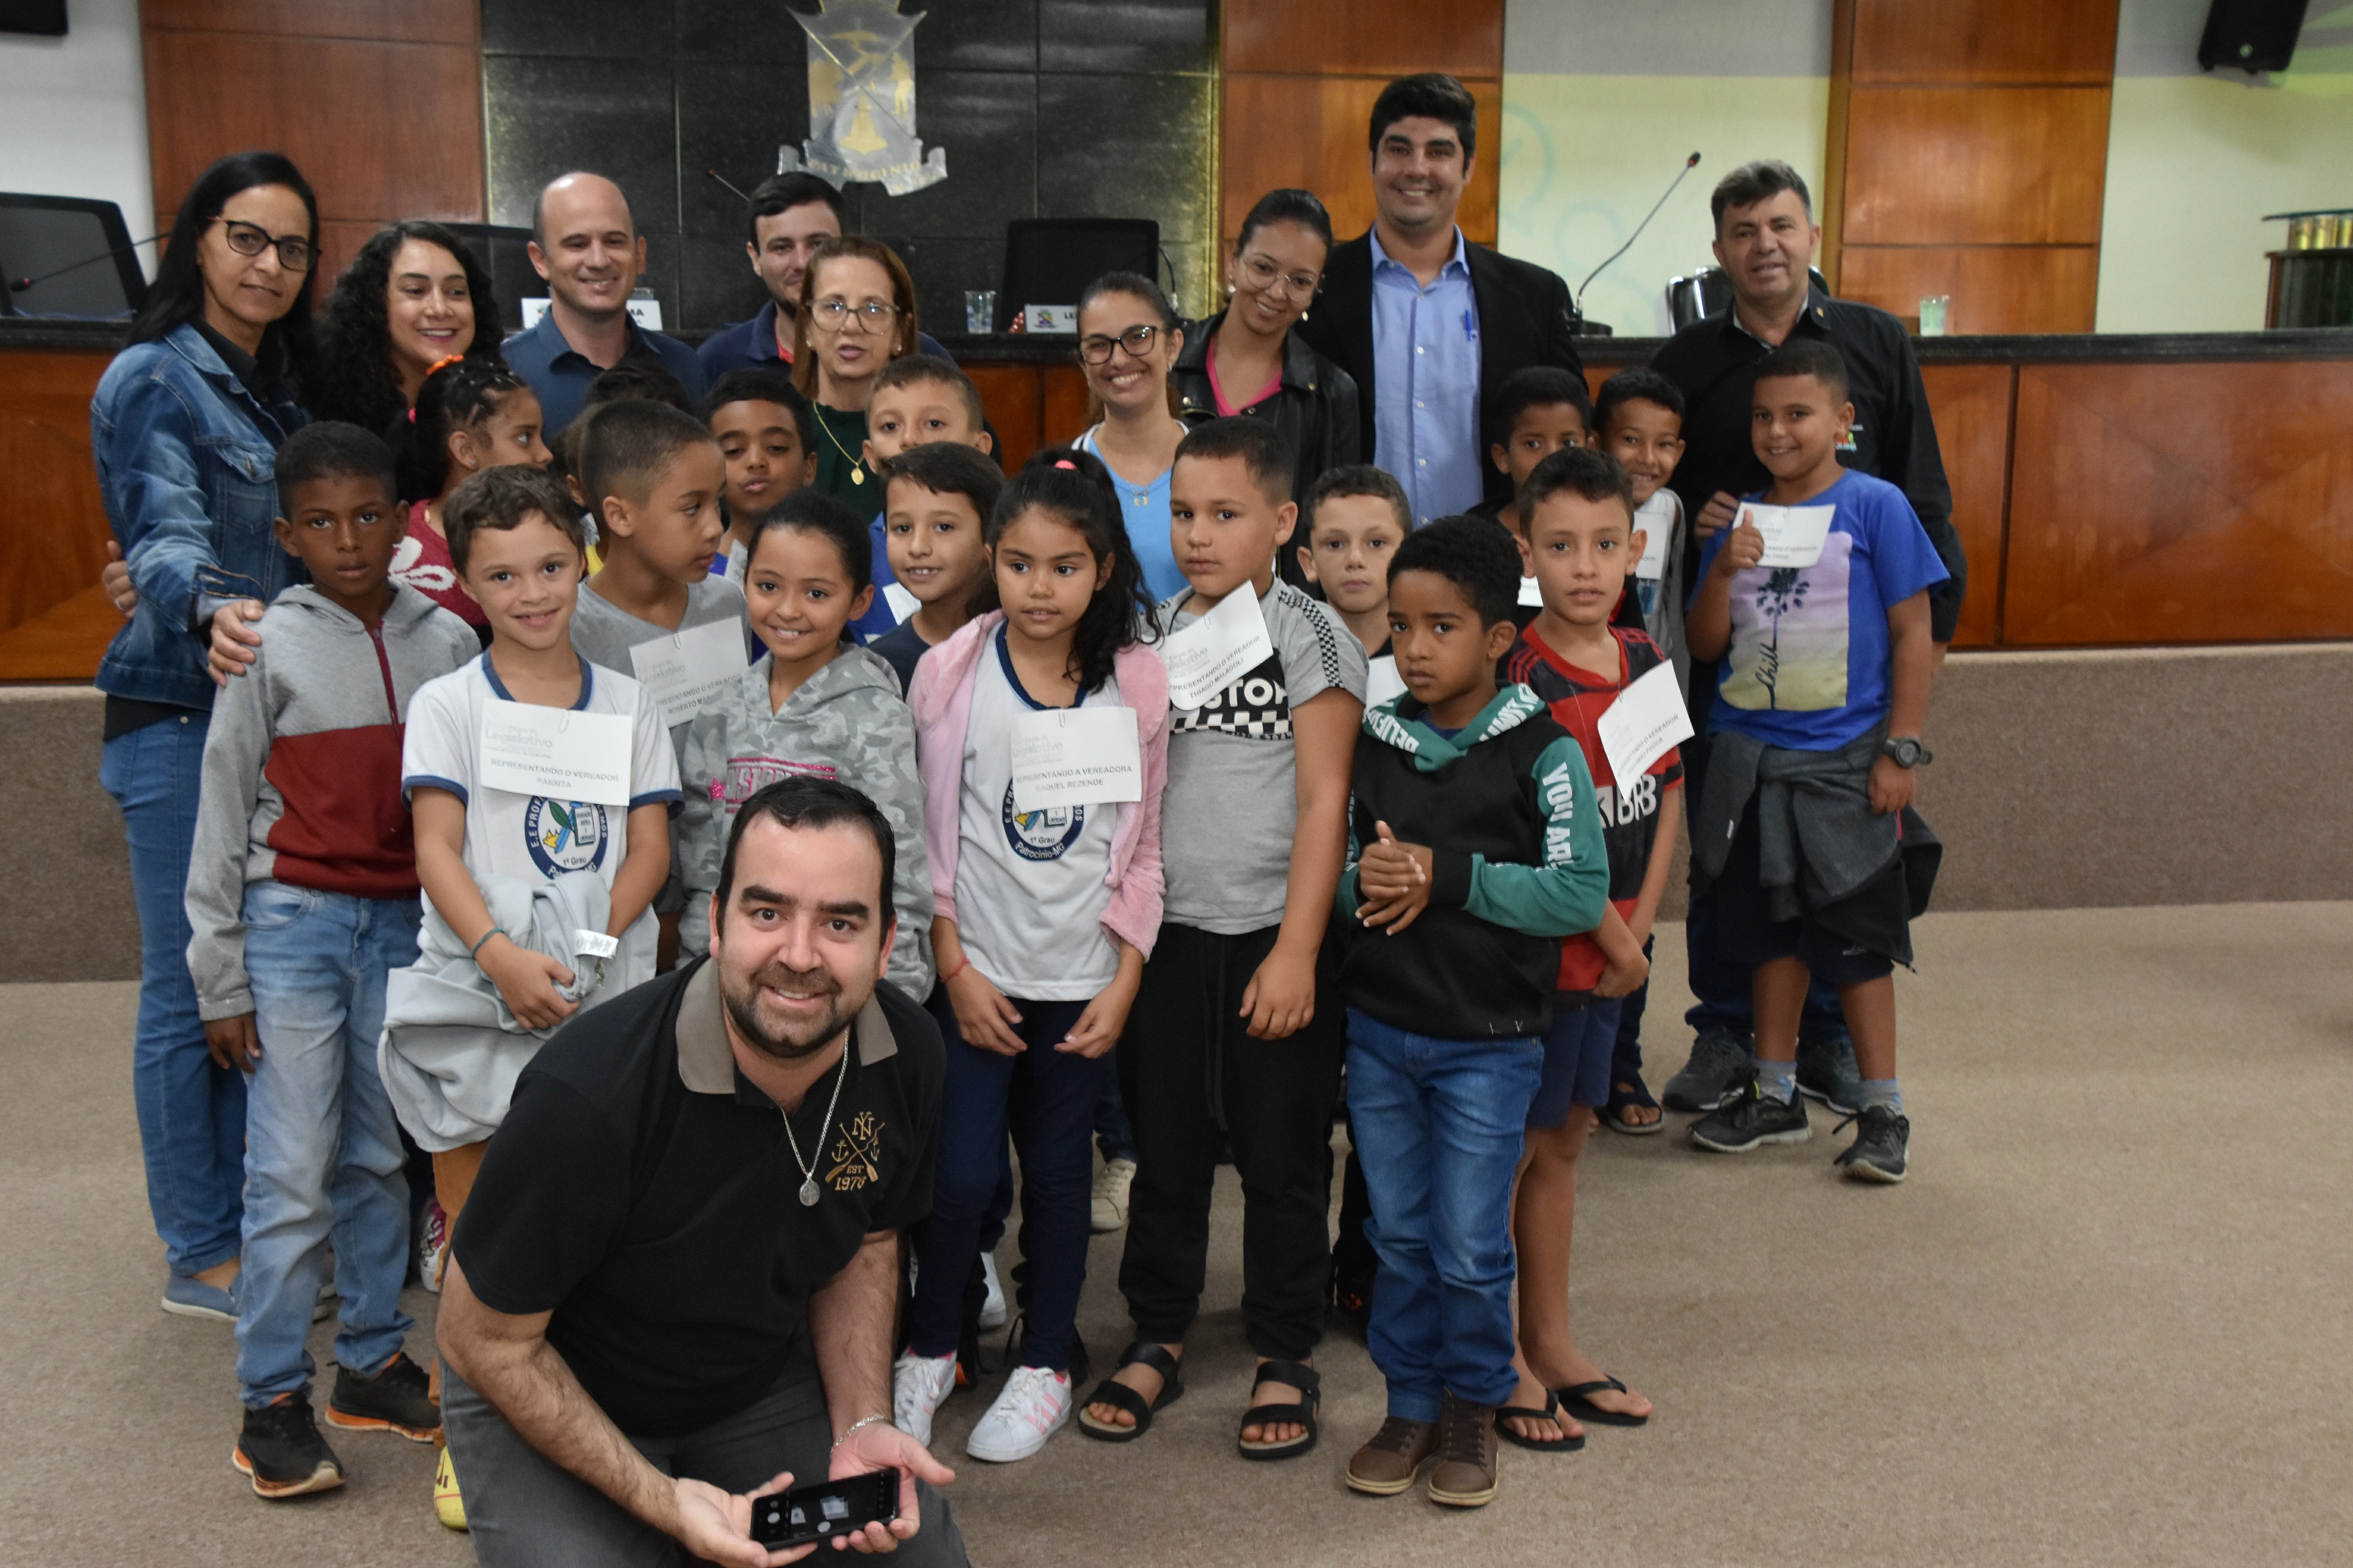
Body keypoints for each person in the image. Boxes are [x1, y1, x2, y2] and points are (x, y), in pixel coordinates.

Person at [435, 776, 970, 1567]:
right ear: (715, 923)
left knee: (917, 1555)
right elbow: (479, 1337)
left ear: (886, 944)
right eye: (767, 912)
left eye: (840, 922)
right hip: (556, 1385)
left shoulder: (908, 1054)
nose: (799, 955)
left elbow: (867, 1241)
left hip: (749, 1383)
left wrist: (862, 1424)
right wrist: (663, 1499)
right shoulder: (588, 1094)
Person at [182, 422, 477, 1498]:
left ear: (403, 521)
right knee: (291, 1168)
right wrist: (218, 974)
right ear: (286, 535)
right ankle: (270, 1399)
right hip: (293, 925)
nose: (348, 541)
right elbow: (221, 811)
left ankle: (368, 1361)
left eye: (367, 516)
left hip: (402, 927)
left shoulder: (451, 641)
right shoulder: (264, 645)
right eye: (320, 522)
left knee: (376, 1160)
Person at [385, 462, 679, 1527]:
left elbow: (648, 848)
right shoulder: (447, 704)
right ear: (465, 582)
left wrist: (592, 947)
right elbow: (437, 846)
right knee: (480, 1220)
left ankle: (591, 1414)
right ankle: (470, 1431)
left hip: (600, 990)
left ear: (582, 561)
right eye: (503, 575)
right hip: (481, 993)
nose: (532, 592)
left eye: (552, 566)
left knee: (602, 1212)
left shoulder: (630, 703)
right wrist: (501, 955)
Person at [1651, 159, 1967, 1122]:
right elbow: (1654, 480)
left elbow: (1922, 491)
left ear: (1813, 235)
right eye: (1744, 231)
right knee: (1731, 861)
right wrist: (1705, 527)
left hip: (1849, 680)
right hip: (1735, 663)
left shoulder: (1874, 342)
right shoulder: (1686, 361)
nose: (1766, 245)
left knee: (1838, 869)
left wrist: (1925, 672)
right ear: (1719, 250)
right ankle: (1728, 1029)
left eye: (1782, 225)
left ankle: (1824, 1040)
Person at [1076, 418, 1364, 1460]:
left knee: (1282, 1153)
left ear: (1283, 523)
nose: (1198, 535)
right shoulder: (1148, 633)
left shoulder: (1313, 635)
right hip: (1168, 938)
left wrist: (1296, 951)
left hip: (1273, 937)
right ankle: (1158, 1330)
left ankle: (1285, 1346)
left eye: (1225, 514)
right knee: (1168, 1146)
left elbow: (1326, 799)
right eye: (1183, 513)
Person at [894, 450, 1170, 1464]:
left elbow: (1144, 847)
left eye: (1064, 567)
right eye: (1018, 565)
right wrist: (955, 968)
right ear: (992, 564)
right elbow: (927, 841)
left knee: (1059, 1180)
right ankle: (931, 1347)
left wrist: (1126, 977)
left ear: (1104, 569)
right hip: (977, 978)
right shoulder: (951, 673)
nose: (1038, 588)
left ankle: (1047, 1357)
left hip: (1082, 984)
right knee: (959, 1177)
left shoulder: (1137, 681)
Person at [1332, 516, 1607, 1511]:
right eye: (1402, 626)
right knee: (1399, 1235)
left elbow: (1578, 892)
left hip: (1489, 1046)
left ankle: (1471, 1408)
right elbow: (1334, 875)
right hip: (1381, 1035)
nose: (1414, 648)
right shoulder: (1373, 742)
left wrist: (1448, 877)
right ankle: (1409, 1403)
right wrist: (1367, 880)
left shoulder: (1544, 751)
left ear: (1496, 638)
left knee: (1466, 1243)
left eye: (1440, 627)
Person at [92, 150, 321, 1322]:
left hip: (269, 718)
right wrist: (205, 604)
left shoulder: (276, 391)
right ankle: (199, 1247)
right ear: (198, 241)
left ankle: (253, 1220)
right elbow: (163, 529)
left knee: (250, 976)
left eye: (291, 248)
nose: (268, 264)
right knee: (189, 982)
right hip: (183, 710)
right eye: (247, 238)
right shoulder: (154, 376)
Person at [1681, 338, 1945, 1184]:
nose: (1777, 430)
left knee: (1857, 940)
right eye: (1763, 415)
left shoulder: (1876, 506)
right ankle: (1775, 1091)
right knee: (1771, 934)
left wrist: (1900, 747)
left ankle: (1883, 1108)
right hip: (1750, 761)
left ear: (1843, 420)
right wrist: (1721, 567)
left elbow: (1914, 631)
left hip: (1845, 762)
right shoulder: (1739, 517)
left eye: (1798, 414)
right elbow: (1704, 643)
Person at [1497, 447, 1680, 1450]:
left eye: (1605, 545)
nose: (1584, 566)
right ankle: (1500, 1354)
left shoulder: (1644, 657)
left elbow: (1667, 795)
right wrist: (1614, 937)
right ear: (1526, 552)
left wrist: (1638, 933)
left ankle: (1553, 1338)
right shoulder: (1519, 679)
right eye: (1560, 546)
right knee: (1514, 1152)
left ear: (1634, 549)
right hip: (1544, 960)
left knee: (1567, 1142)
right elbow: (1541, 839)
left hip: (1615, 958)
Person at [676, 487, 935, 999]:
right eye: (768, 585)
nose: (788, 609)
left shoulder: (877, 717)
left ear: (859, 600)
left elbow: (901, 874)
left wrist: (893, 1002)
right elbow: (704, 866)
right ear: (744, 581)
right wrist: (695, 975)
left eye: (816, 594)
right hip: (732, 982)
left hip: (834, 982)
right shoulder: (720, 711)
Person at [1292, 73, 1584, 522]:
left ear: (1468, 168)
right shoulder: (1314, 288)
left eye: (1439, 152)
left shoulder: (1533, 297)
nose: (1417, 168)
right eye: (1399, 149)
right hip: (1353, 557)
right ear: (1372, 161)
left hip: (1495, 555)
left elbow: (1572, 445)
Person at [566, 400, 750, 972]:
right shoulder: (569, 628)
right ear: (619, 515)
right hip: (623, 896)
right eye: (691, 508)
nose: (715, 527)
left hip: (728, 879)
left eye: (718, 502)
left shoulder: (728, 603)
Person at [1297, 465, 1412, 1329]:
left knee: (1383, 1110)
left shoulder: (1425, 662)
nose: (1355, 560)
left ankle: (1364, 1260)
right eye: (1334, 544)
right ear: (1306, 559)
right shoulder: (1289, 653)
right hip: (1303, 908)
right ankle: (1297, 1269)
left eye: (1377, 543)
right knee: (1302, 1105)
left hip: (1391, 917)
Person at [1589, 368, 1692, 1135]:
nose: (1645, 458)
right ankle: (1573, 1060)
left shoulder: (1671, 511)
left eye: (1662, 444)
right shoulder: (1580, 503)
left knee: (1633, 886)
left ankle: (1620, 1061)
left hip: (1644, 694)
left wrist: (1670, 703)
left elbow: (1672, 612)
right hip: (1574, 693)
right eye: (1629, 440)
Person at [1171, 189, 1361, 551]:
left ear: (1315, 291)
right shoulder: (1168, 362)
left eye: (1300, 281)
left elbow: (1337, 528)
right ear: (1233, 261)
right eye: (1264, 268)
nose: (1276, 292)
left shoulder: (1333, 393)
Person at [697, 173, 953, 381]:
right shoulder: (718, 362)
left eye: (818, 244)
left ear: (847, 245)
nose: (802, 263)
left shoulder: (922, 356)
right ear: (756, 258)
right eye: (782, 247)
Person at [504, 172, 706, 436]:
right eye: (578, 245)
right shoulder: (506, 372)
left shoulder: (684, 366)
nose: (599, 261)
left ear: (640, 254)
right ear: (540, 260)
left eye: (614, 242)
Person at [385, 357, 553, 641]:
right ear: (466, 450)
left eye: (541, 435)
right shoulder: (399, 551)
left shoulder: (554, 532)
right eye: (524, 438)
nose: (545, 454)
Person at [310, 220, 504, 434]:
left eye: (456, 292)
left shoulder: (501, 404)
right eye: (415, 291)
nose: (440, 309)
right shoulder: (327, 418)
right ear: (375, 302)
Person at [853, 353, 996, 638]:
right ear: (870, 456)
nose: (910, 439)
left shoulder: (1013, 545)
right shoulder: (854, 560)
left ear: (979, 448)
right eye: (890, 426)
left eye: (934, 424)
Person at [1071, 272, 1190, 602]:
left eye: (1138, 337)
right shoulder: (1064, 475)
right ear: (1083, 364)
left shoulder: (1221, 469)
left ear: (1173, 346)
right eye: (1099, 345)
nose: (1120, 359)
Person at [794, 236, 922, 510]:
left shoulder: (937, 429)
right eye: (833, 307)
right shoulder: (782, 434)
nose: (851, 326)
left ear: (900, 331)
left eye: (873, 309)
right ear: (807, 327)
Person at [870, 442, 1004, 695]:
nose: (918, 547)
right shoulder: (879, 669)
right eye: (903, 528)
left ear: (992, 536)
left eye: (944, 527)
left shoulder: (1026, 647)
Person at [702, 366, 817, 589]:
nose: (755, 461)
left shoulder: (841, 568)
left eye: (776, 447)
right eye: (734, 450)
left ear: (809, 468)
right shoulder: (694, 578)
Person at [1475, 366, 1592, 521]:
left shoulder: (1613, 526)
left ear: (1590, 451)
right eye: (1533, 444)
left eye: (1568, 443)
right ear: (1502, 458)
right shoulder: (1473, 534)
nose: (1552, 458)